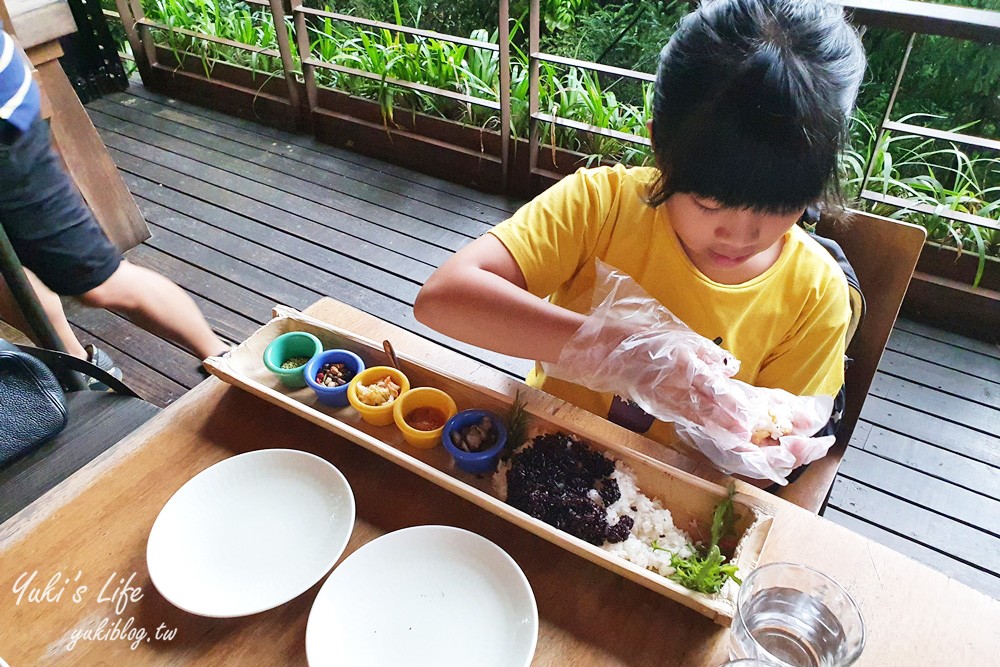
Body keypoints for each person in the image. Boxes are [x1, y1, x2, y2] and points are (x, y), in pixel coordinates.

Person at [414, 0, 866, 480]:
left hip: (670, 501)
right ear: (661, 148)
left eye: (779, 205)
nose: (742, 234)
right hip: (544, 446)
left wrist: (748, 441)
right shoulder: (601, 205)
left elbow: (757, 471)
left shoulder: (814, 296)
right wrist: (620, 354)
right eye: (710, 203)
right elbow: (443, 299)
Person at [0, 21, 228, 380]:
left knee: (99, 281)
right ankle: (78, 366)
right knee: (8, 272)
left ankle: (224, 359)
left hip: (4, 130)